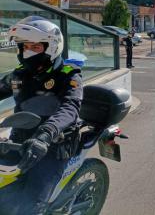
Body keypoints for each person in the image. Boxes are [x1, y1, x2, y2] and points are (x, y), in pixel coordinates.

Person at [0, 16, 83, 215]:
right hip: (19, 140)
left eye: (35, 47)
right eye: (24, 47)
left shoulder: (68, 74)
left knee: (30, 206)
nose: (27, 53)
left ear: (51, 47)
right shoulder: (19, 75)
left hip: (53, 145)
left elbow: (70, 107)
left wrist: (46, 134)